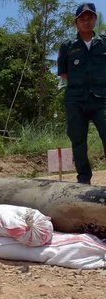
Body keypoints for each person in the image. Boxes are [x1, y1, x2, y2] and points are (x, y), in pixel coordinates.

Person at [57, 2, 106, 185]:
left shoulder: (104, 42)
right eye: (82, 19)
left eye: (90, 17)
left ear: (95, 19)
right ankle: (84, 179)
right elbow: (63, 73)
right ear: (76, 22)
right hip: (76, 100)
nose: (86, 21)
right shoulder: (67, 46)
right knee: (78, 141)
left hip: (102, 99)